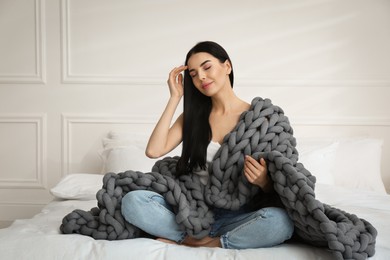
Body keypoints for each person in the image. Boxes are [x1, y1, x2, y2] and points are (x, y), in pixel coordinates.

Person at [121, 41, 294, 249]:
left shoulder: (265, 120)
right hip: (192, 211)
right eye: (193, 74)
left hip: (240, 215)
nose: (201, 76)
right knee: (133, 201)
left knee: (281, 222)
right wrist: (175, 98)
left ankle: (206, 243)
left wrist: (264, 181)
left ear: (227, 66)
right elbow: (154, 150)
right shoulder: (192, 118)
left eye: (207, 67)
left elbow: (285, 179)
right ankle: (198, 239)